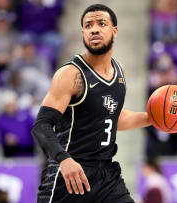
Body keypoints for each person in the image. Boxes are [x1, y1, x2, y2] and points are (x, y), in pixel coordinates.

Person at [32, 4, 152, 203]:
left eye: (101, 23)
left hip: (107, 176)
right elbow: (41, 126)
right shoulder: (71, 74)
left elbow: (112, 117)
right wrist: (64, 159)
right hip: (70, 176)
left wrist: (151, 118)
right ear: (83, 33)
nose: (94, 29)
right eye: (88, 25)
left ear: (114, 30)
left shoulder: (119, 72)